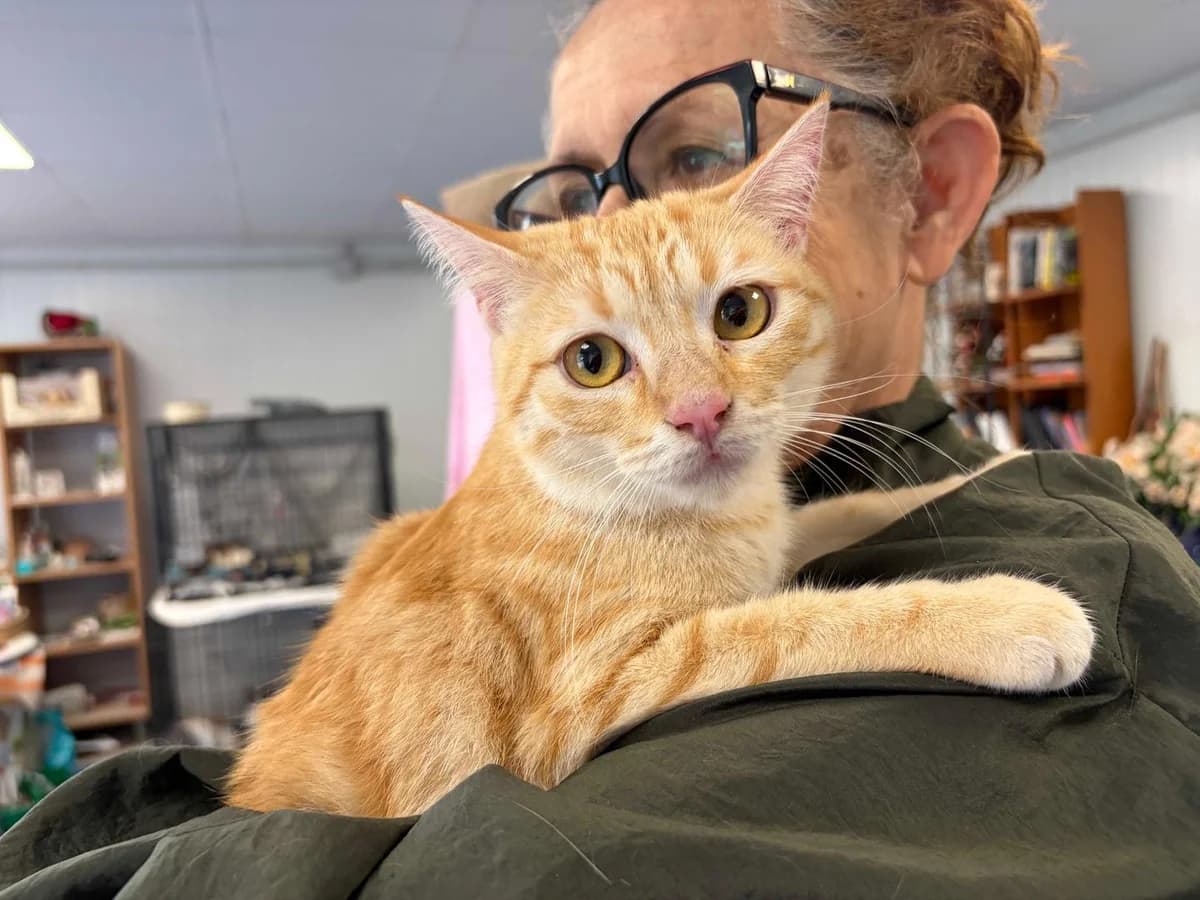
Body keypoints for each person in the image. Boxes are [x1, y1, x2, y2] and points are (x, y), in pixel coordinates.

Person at [2, 2, 1198, 897]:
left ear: (931, 193)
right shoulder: (646, 499)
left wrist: (910, 614)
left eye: (697, 156)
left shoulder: (1092, 587)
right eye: (577, 188)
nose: (619, 226)